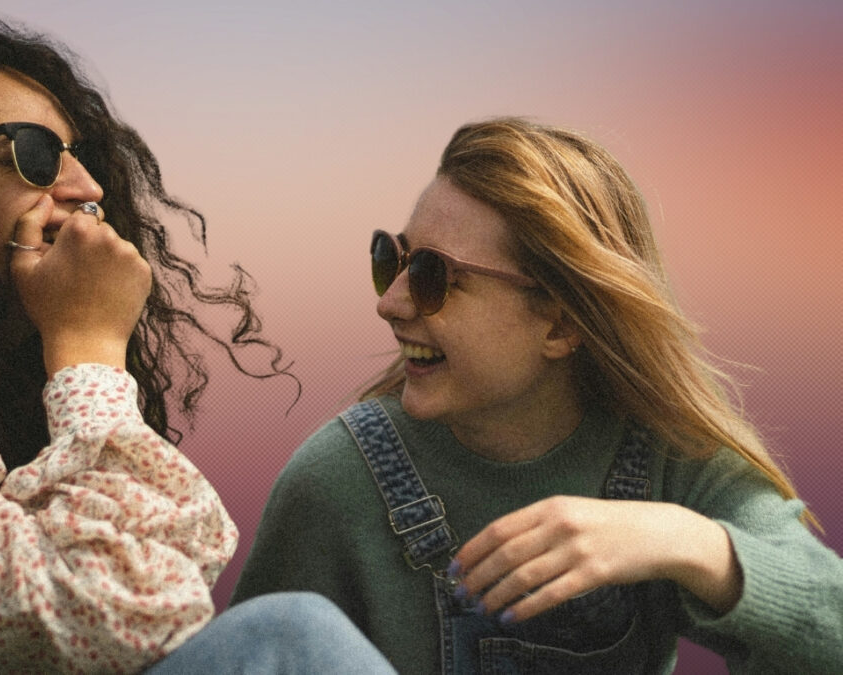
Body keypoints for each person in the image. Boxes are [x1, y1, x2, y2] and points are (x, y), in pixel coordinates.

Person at [0, 13, 395, 674]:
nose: (86, 189)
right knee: (289, 637)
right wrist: (88, 347)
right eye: (35, 152)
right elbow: (125, 621)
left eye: (81, 156)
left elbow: (177, 586)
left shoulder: (22, 414)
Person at [231, 117, 843, 673]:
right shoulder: (335, 481)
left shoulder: (674, 462)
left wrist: (688, 542)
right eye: (392, 259)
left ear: (559, 323)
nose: (389, 303)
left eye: (432, 277)